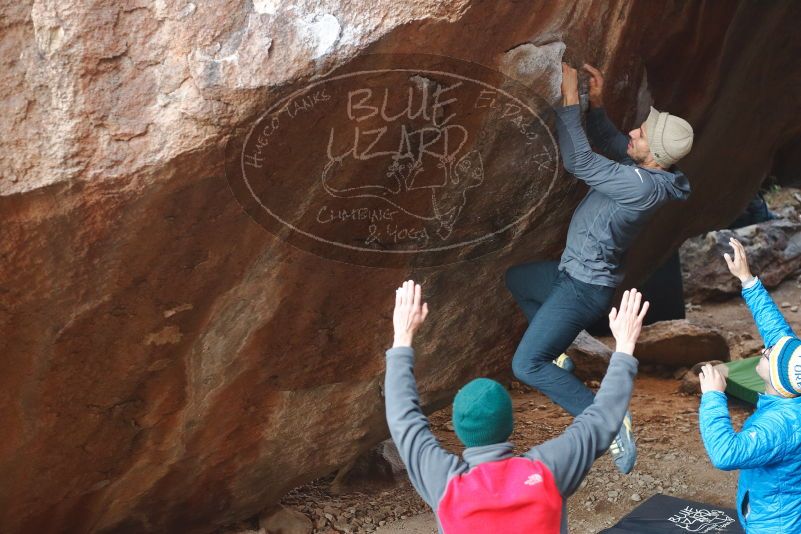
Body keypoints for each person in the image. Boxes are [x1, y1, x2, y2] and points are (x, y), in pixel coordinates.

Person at [505, 62, 694, 473]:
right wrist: (599, 104)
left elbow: (580, 162)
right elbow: (612, 142)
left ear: (656, 157)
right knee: (517, 279)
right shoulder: (648, 171)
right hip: (571, 275)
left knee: (524, 364)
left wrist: (571, 100)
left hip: (581, 289)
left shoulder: (641, 186)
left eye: (641, 134)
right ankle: (556, 357)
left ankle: (606, 421)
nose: (633, 132)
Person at [385, 280, 649, 533]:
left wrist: (402, 336)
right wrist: (624, 347)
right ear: (510, 423)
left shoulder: (443, 483)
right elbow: (600, 420)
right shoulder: (547, 471)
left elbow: (403, 420)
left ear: (457, 428)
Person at [698, 237, 801, 533]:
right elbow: (777, 332)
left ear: (779, 381)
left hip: (773, 526)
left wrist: (714, 397)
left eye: (770, 355)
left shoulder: (780, 425)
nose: (765, 349)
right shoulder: (791, 390)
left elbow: (725, 454)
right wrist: (747, 280)